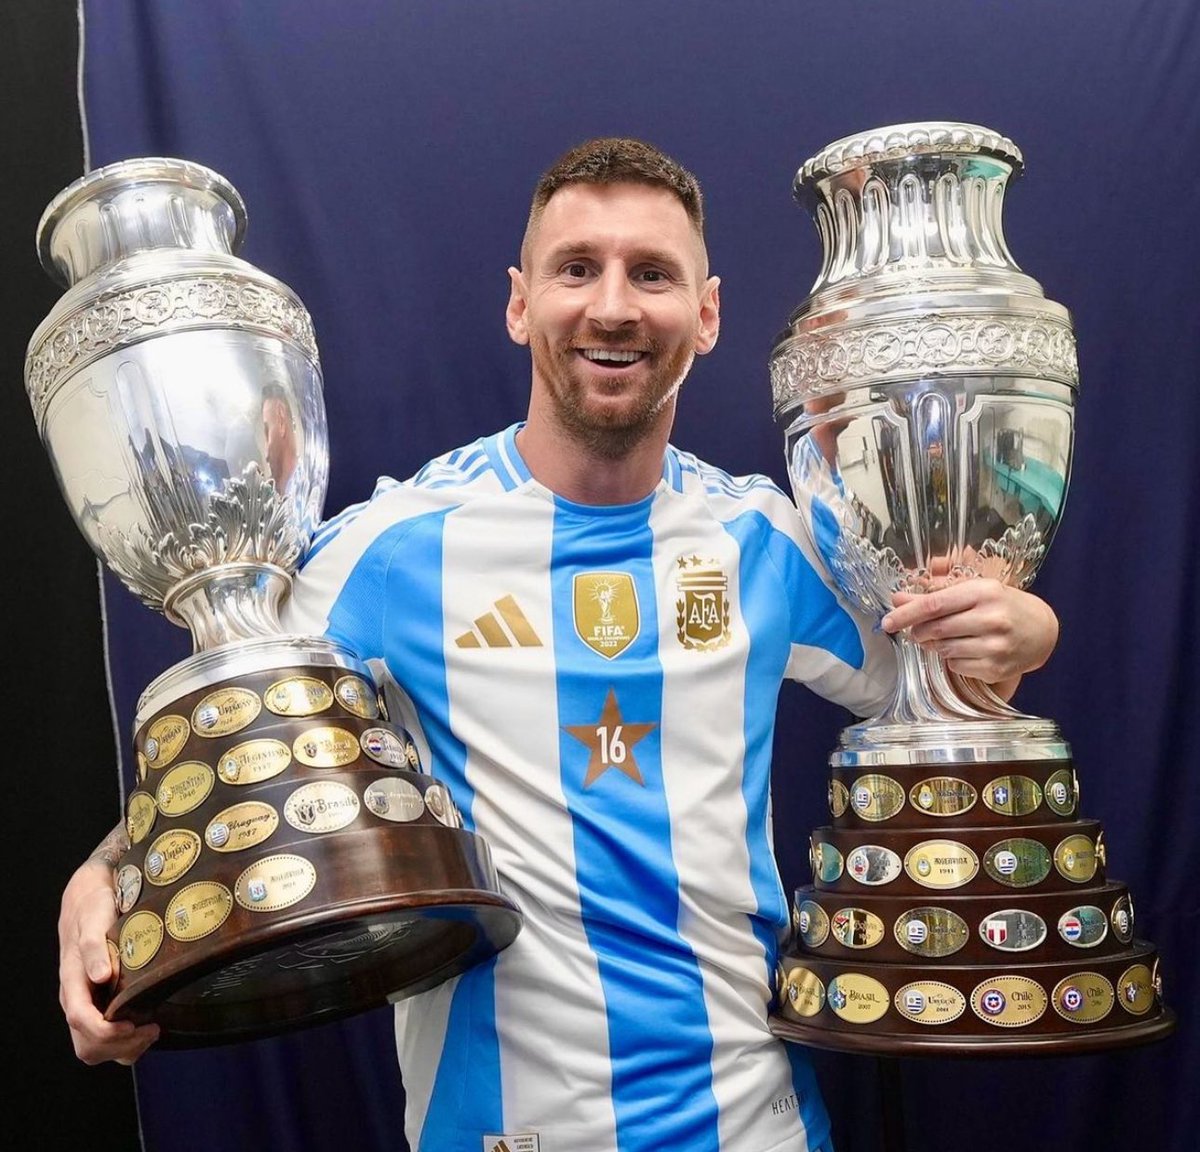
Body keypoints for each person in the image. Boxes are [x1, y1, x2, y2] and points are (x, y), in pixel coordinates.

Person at [57, 138, 1059, 1152]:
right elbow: (231, 729)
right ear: (519, 303)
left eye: (652, 273)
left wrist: (1023, 629)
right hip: (495, 1133)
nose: (614, 306)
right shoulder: (390, 549)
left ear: (705, 315)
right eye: (577, 268)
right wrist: (102, 878)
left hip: (751, 1124)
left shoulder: (765, 540)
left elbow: (945, 684)